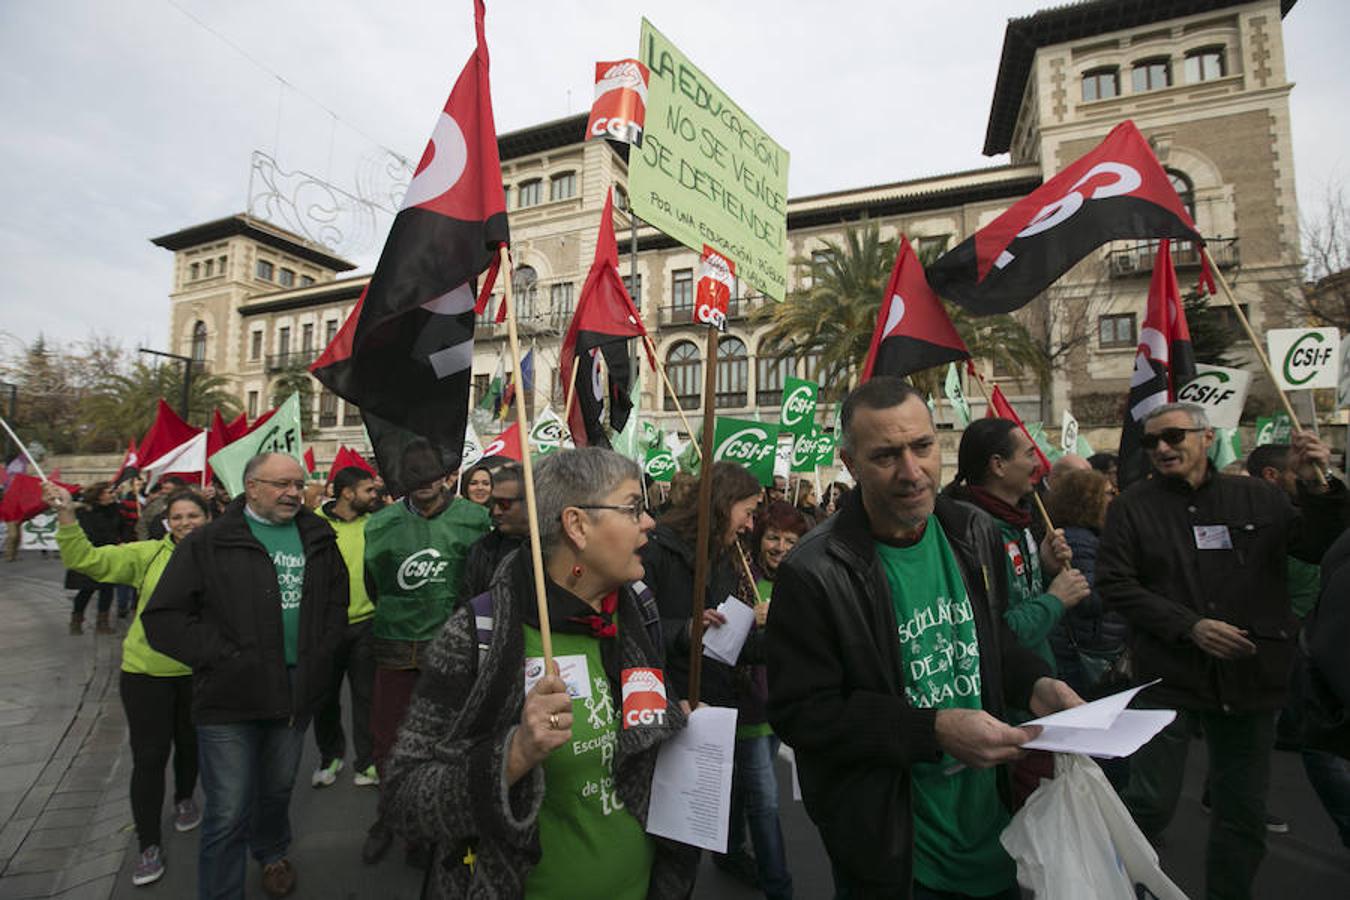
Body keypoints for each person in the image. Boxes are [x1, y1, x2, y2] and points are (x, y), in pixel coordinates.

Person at [766, 377, 1081, 899]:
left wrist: (1034, 684)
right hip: (897, 853)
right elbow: (804, 712)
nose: (912, 473)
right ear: (849, 463)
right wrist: (932, 729)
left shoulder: (973, 532)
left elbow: (991, 638)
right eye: (886, 455)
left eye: (923, 447)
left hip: (994, 831)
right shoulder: (814, 571)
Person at [381, 448, 699, 898]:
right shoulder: (479, 634)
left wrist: (674, 722)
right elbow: (405, 801)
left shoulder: (639, 609)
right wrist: (514, 755)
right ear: (577, 526)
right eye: (632, 508)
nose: (649, 523)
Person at [1096, 403, 1346, 900]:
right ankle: (1116, 887)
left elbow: (1319, 546)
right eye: (1152, 442)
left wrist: (1319, 486)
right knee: (1150, 803)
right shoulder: (1133, 506)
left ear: (1207, 437)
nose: (1163, 448)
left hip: (1248, 678)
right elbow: (1114, 583)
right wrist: (1189, 626)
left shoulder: (1261, 498)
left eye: (1173, 437)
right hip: (1167, 674)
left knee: (1242, 816)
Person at [142, 452, 350, 900]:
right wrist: (222, 656)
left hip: (295, 692)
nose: (294, 493)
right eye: (281, 484)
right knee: (228, 809)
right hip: (227, 697)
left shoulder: (319, 537)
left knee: (276, 790)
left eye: (298, 484)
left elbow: (337, 605)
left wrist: (321, 653)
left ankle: (272, 852)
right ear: (251, 486)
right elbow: (164, 618)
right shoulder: (209, 541)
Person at [45, 482, 209, 887]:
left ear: (209, 519)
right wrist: (66, 512)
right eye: (179, 517)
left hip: (201, 675)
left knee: (191, 746)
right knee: (150, 758)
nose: (186, 523)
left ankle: (185, 798)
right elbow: (85, 559)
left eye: (194, 516)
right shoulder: (146, 554)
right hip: (145, 675)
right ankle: (148, 844)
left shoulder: (225, 557)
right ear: (167, 523)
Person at [360, 445, 490, 867]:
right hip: (395, 650)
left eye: (430, 475)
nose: (422, 484)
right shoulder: (379, 525)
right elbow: (374, 584)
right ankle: (392, 818)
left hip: (453, 653)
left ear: (448, 477)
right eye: (412, 477)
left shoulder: (475, 520)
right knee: (389, 743)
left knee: (450, 742)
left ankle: (442, 823)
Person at [641, 462, 767, 890]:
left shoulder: (725, 558)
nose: (751, 525)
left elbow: (725, 646)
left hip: (710, 711)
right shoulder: (657, 549)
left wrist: (777, 634)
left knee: (686, 845)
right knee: (656, 842)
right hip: (667, 707)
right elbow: (636, 634)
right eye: (746, 512)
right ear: (722, 504)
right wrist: (686, 630)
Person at [944, 418, 1089, 669]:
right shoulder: (969, 535)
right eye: (1030, 454)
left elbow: (1021, 597)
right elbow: (995, 633)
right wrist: (1056, 599)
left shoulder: (1020, 522)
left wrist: (1044, 568)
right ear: (998, 465)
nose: (1039, 465)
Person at [727, 500, 810, 900]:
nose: (779, 546)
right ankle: (779, 887)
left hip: (782, 705)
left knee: (744, 787)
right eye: (773, 537)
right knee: (765, 800)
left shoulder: (803, 581)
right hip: (747, 707)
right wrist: (749, 619)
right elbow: (720, 642)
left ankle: (726, 850)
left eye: (790, 540)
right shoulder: (738, 579)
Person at [310, 466, 380, 789]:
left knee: (366, 698)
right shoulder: (312, 524)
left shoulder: (377, 524)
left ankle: (366, 763)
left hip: (367, 625)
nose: (374, 496)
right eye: (368, 490)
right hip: (325, 628)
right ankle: (330, 756)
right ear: (347, 493)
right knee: (324, 699)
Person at [1043, 469, 1125, 698]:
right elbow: (1086, 599)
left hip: (1098, 645)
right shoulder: (1077, 541)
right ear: (1089, 500)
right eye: (1109, 493)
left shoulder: (1095, 537)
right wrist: (1127, 578)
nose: (1114, 499)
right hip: (1085, 652)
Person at [66, 481, 123, 635]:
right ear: (99, 495)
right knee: (87, 589)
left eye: (113, 492)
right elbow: (89, 533)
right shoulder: (86, 511)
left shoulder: (115, 509)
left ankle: (102, 623)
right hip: (91, 554)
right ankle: (76, 620)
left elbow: (120, 528)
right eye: (109, 492)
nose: (113, 494)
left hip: (110, 555)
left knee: (107, 589)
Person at [462, 463, 527, 598]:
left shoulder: (552, 550)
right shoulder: (481, 549)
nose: (496, 511)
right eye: (493, 502)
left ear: (529, 503)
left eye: (504, 504)